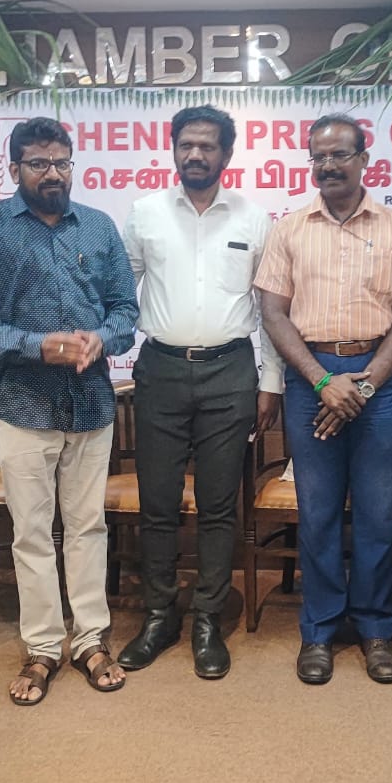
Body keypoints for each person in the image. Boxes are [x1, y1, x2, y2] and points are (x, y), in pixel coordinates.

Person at [0, 116, 138, 705]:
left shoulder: (99, 226)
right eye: (38, 163)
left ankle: (90, 640)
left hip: (91, 405)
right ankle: (42, 647)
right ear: (15, 169)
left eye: (61, 162)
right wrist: (39, 346)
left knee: (87, 527)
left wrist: (101, 339)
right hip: (20, 405)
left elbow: (125, 310)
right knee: (31, 534)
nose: (52, 173)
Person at [254, 112, 392, 685]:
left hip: (378, 378)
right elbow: (273, 314)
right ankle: (320, 630)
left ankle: (377, 628)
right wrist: (321, 382)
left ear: (364, 160)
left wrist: (365, 384)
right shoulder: (289, 229)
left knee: (380, 513)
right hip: (312, 379)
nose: (328, 165)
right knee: (319, 512)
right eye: (319, 156)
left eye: (340, 155)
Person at [116, 105, 284, 679]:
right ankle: (159, 615)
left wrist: (270, 380)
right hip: (160, 370)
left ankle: (208, 619)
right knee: (158, 503)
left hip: (230, 373)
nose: (195, 154)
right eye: (186, 144)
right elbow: (122, 291)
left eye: (207, 146)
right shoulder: (144, 213)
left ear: (226, 154)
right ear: (173, 149)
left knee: (217, 504)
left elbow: (269, 309)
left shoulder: (254, 220)